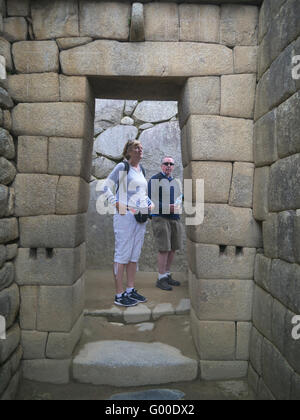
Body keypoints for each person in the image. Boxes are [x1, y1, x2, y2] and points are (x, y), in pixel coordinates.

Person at [100, 140, 153, 307]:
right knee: (122, 254)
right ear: (129, 151)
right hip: (125, 217)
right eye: (136, 147)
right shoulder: (123, 167)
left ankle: (130, 290)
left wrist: (150, 203)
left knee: (134, 255)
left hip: (140, 217)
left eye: (141, 147)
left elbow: (140, 193)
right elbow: (106, 187)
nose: (140, 149)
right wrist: (116, 203)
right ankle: (119, 294)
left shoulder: (140, 169)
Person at [148, 156, 183, 291]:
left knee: (173, 247)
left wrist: (180, 202)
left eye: (171, 164)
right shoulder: (155, 180)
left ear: (173, 166)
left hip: (174, 218)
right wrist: (168, 207)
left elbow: (177, 199)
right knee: (164, 248)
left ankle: (167, 275)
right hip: (160, 218)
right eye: (166, 163)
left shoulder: (174, 181)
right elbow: (151, 202)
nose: (168, 166)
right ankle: (161, 278)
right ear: (161, 165)